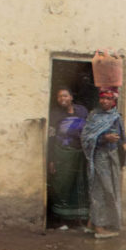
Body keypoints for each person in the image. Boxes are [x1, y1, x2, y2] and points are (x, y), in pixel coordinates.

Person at [82, 89, 126, 239]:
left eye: (108, 99)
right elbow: (86, 138)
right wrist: (105, 138)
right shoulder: (94, 116)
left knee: (110, 189)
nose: (104, 101)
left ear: (113, 101)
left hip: (113, 157)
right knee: (102, 189)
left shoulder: (117, 117)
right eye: (102, 98)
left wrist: (125, 146)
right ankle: (99, 226)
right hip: (99, 157)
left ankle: (92, 224)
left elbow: (123, 137)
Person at [48, 88, 90, 228]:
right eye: (59, 97)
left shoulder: (82, 111)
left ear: (71, 97)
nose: (62, 99)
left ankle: (79, 220)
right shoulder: (55, 114)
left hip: (80, 154)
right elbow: (51, 137)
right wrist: (51, 160)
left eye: (65, 95)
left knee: (79, 186)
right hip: (62, 154)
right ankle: (62, 221)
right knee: (62, 185)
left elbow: (89, 130)